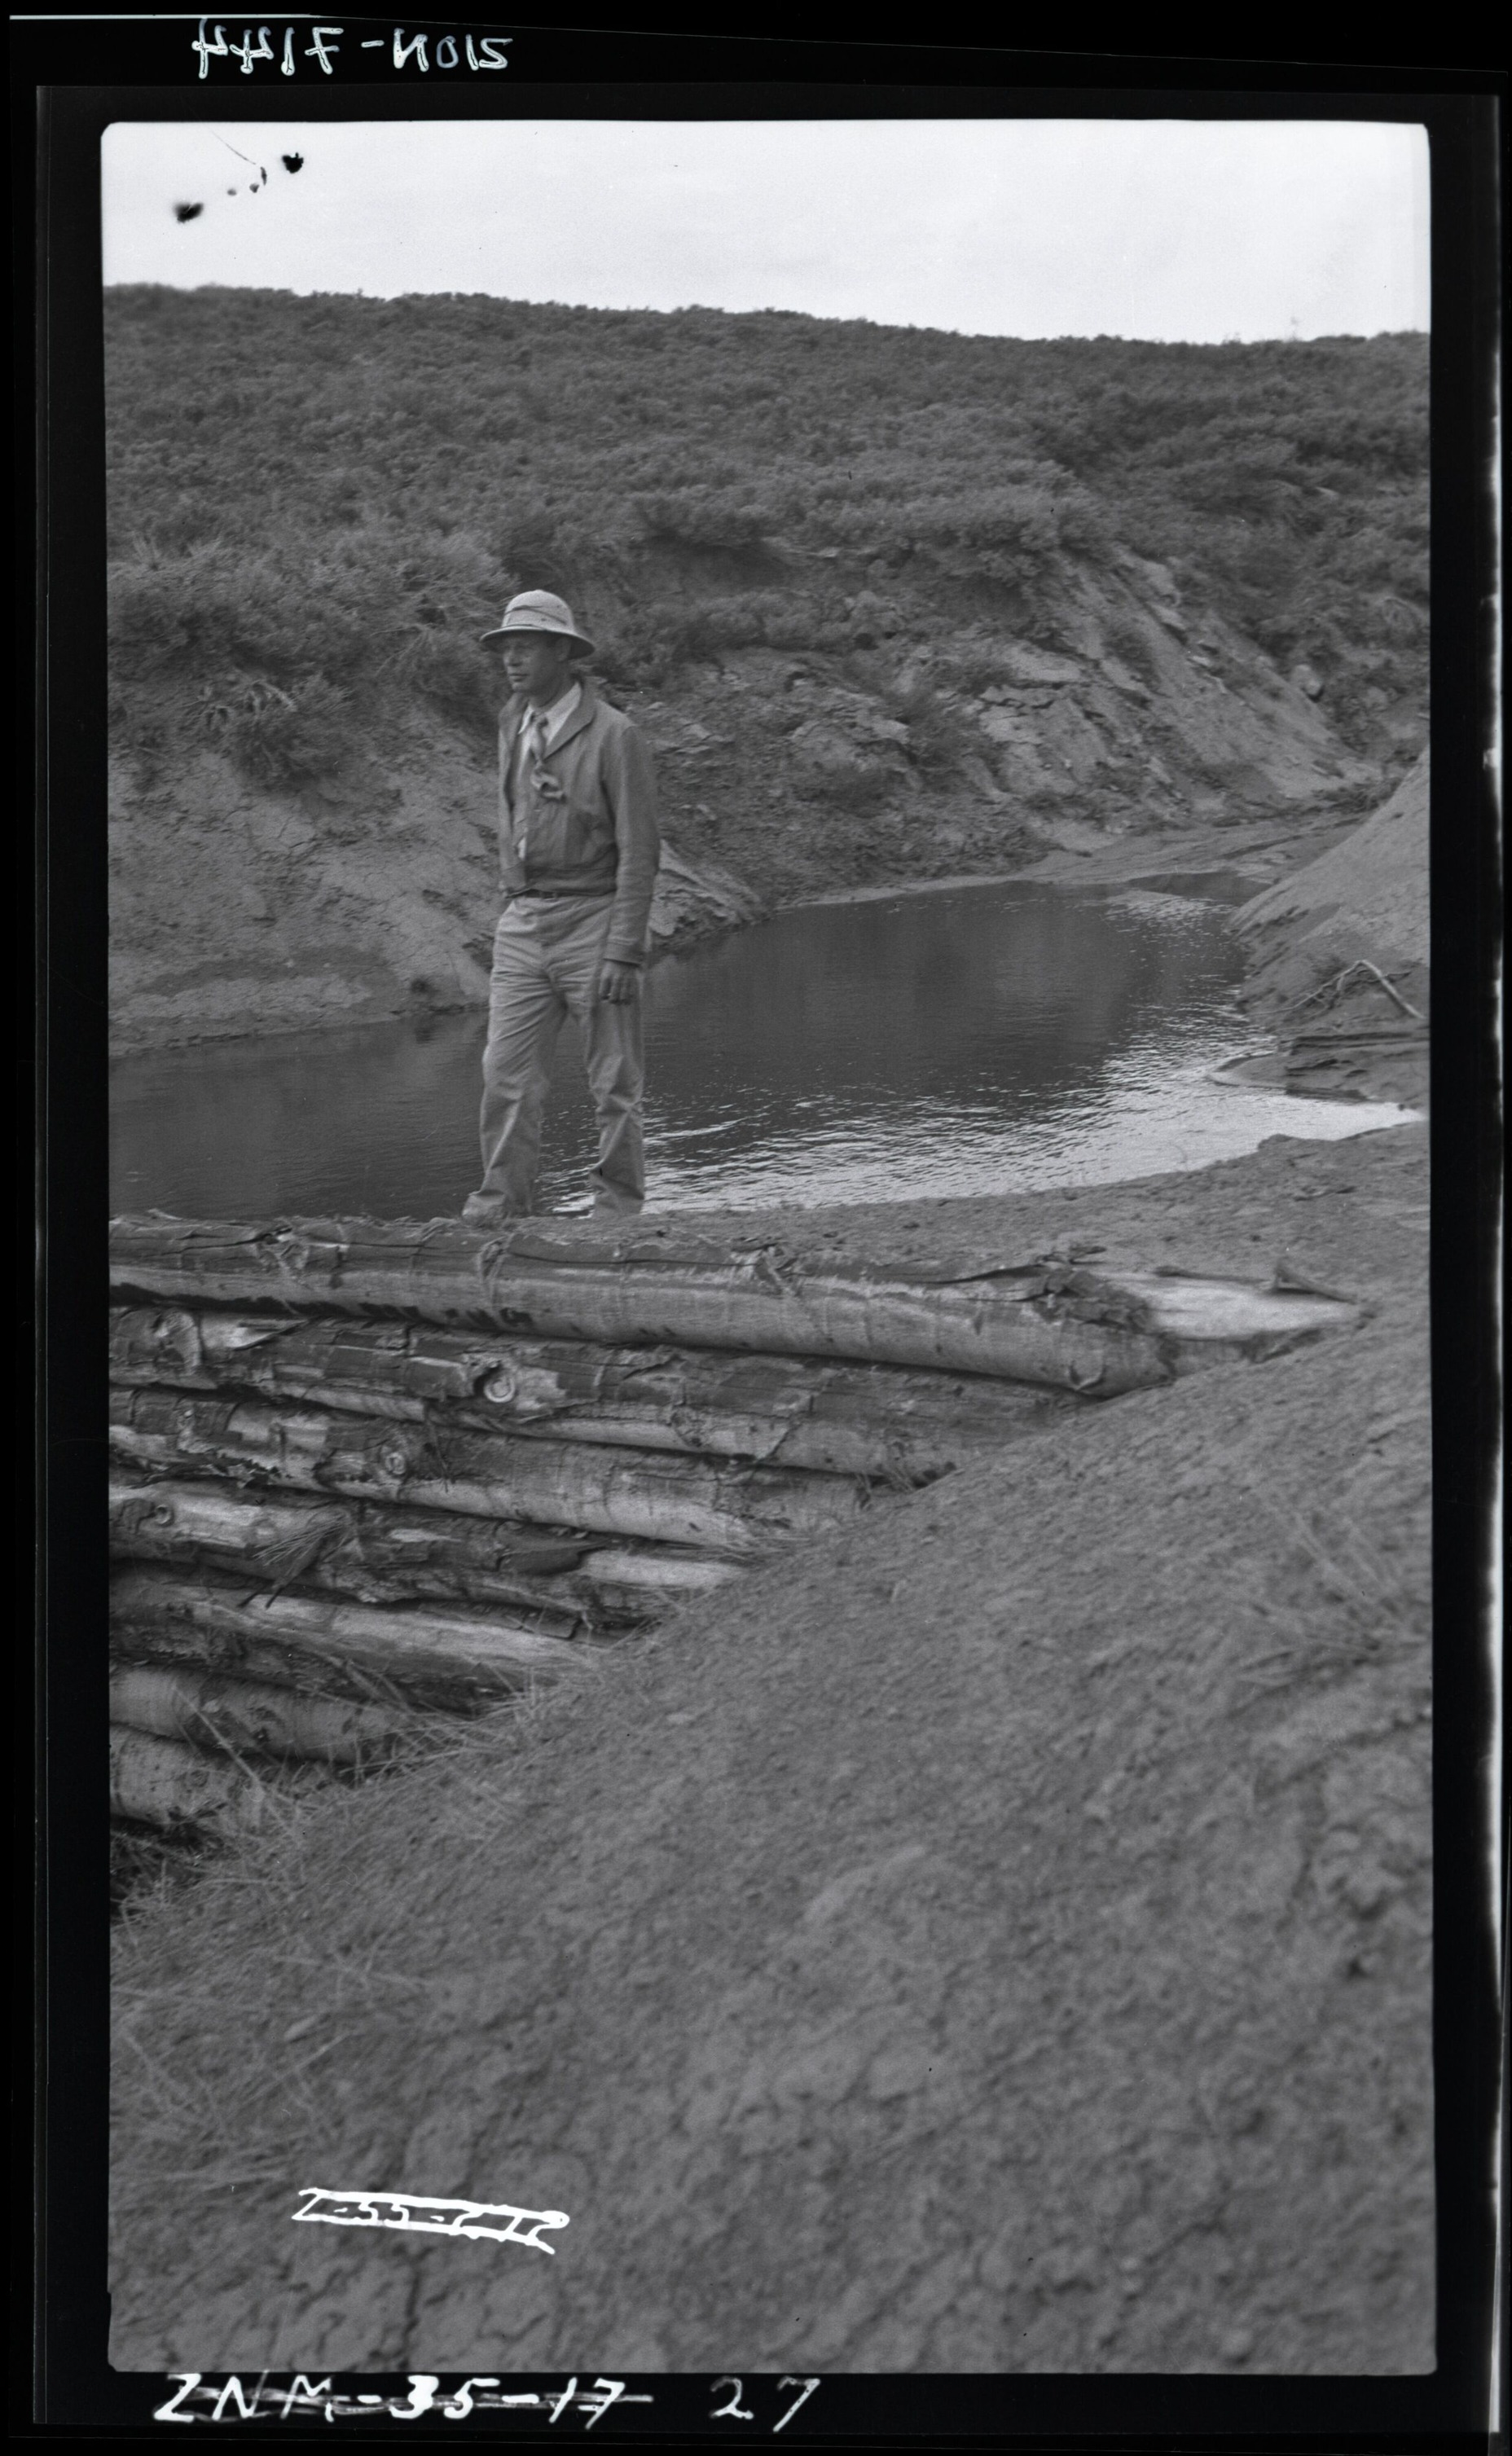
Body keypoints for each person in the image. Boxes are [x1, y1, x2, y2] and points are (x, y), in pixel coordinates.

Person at [462, 591, 661, 1227]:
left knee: (614, 1081)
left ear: (563, 653)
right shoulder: (511, 721)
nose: (511, 659)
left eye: (525, 646)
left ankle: (616, 1214)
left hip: (595, 916)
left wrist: (625, 948)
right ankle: (501, 1210)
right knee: (506, 1074)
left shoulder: (615, 734)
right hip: (523, 919)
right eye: (505, 648)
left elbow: (640, 846)